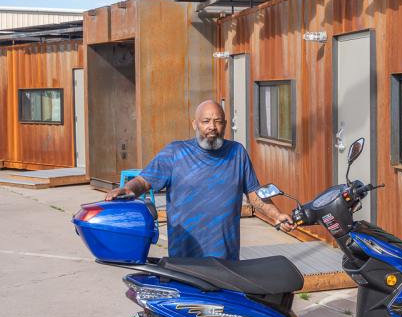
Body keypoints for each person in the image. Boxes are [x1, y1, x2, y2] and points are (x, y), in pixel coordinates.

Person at [106, 99, 292, 259]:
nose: (212, 127)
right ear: (195, 124)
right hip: (184, 257)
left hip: (225, 258)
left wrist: (276, 216)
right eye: (206, 121)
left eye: (218, 121)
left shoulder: (237, 153)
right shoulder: (175, 152)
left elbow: (253, 192)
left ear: (225, 125)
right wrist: (128, 189)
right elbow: (144, 181)